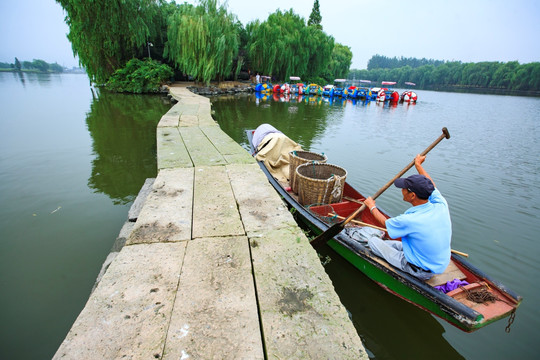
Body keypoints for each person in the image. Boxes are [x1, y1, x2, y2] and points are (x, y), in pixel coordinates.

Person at [363, 155, 452, 280]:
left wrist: (372, 207)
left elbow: (386, 223)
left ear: (412, 195)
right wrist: (418, 166)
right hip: (437, 263)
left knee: (373, 241)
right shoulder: (440, 204)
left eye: (404, 189)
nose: (402, 190)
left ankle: (407, 266)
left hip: (419, 270)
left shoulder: (411, 220)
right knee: (390, 243)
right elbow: (431, 185)